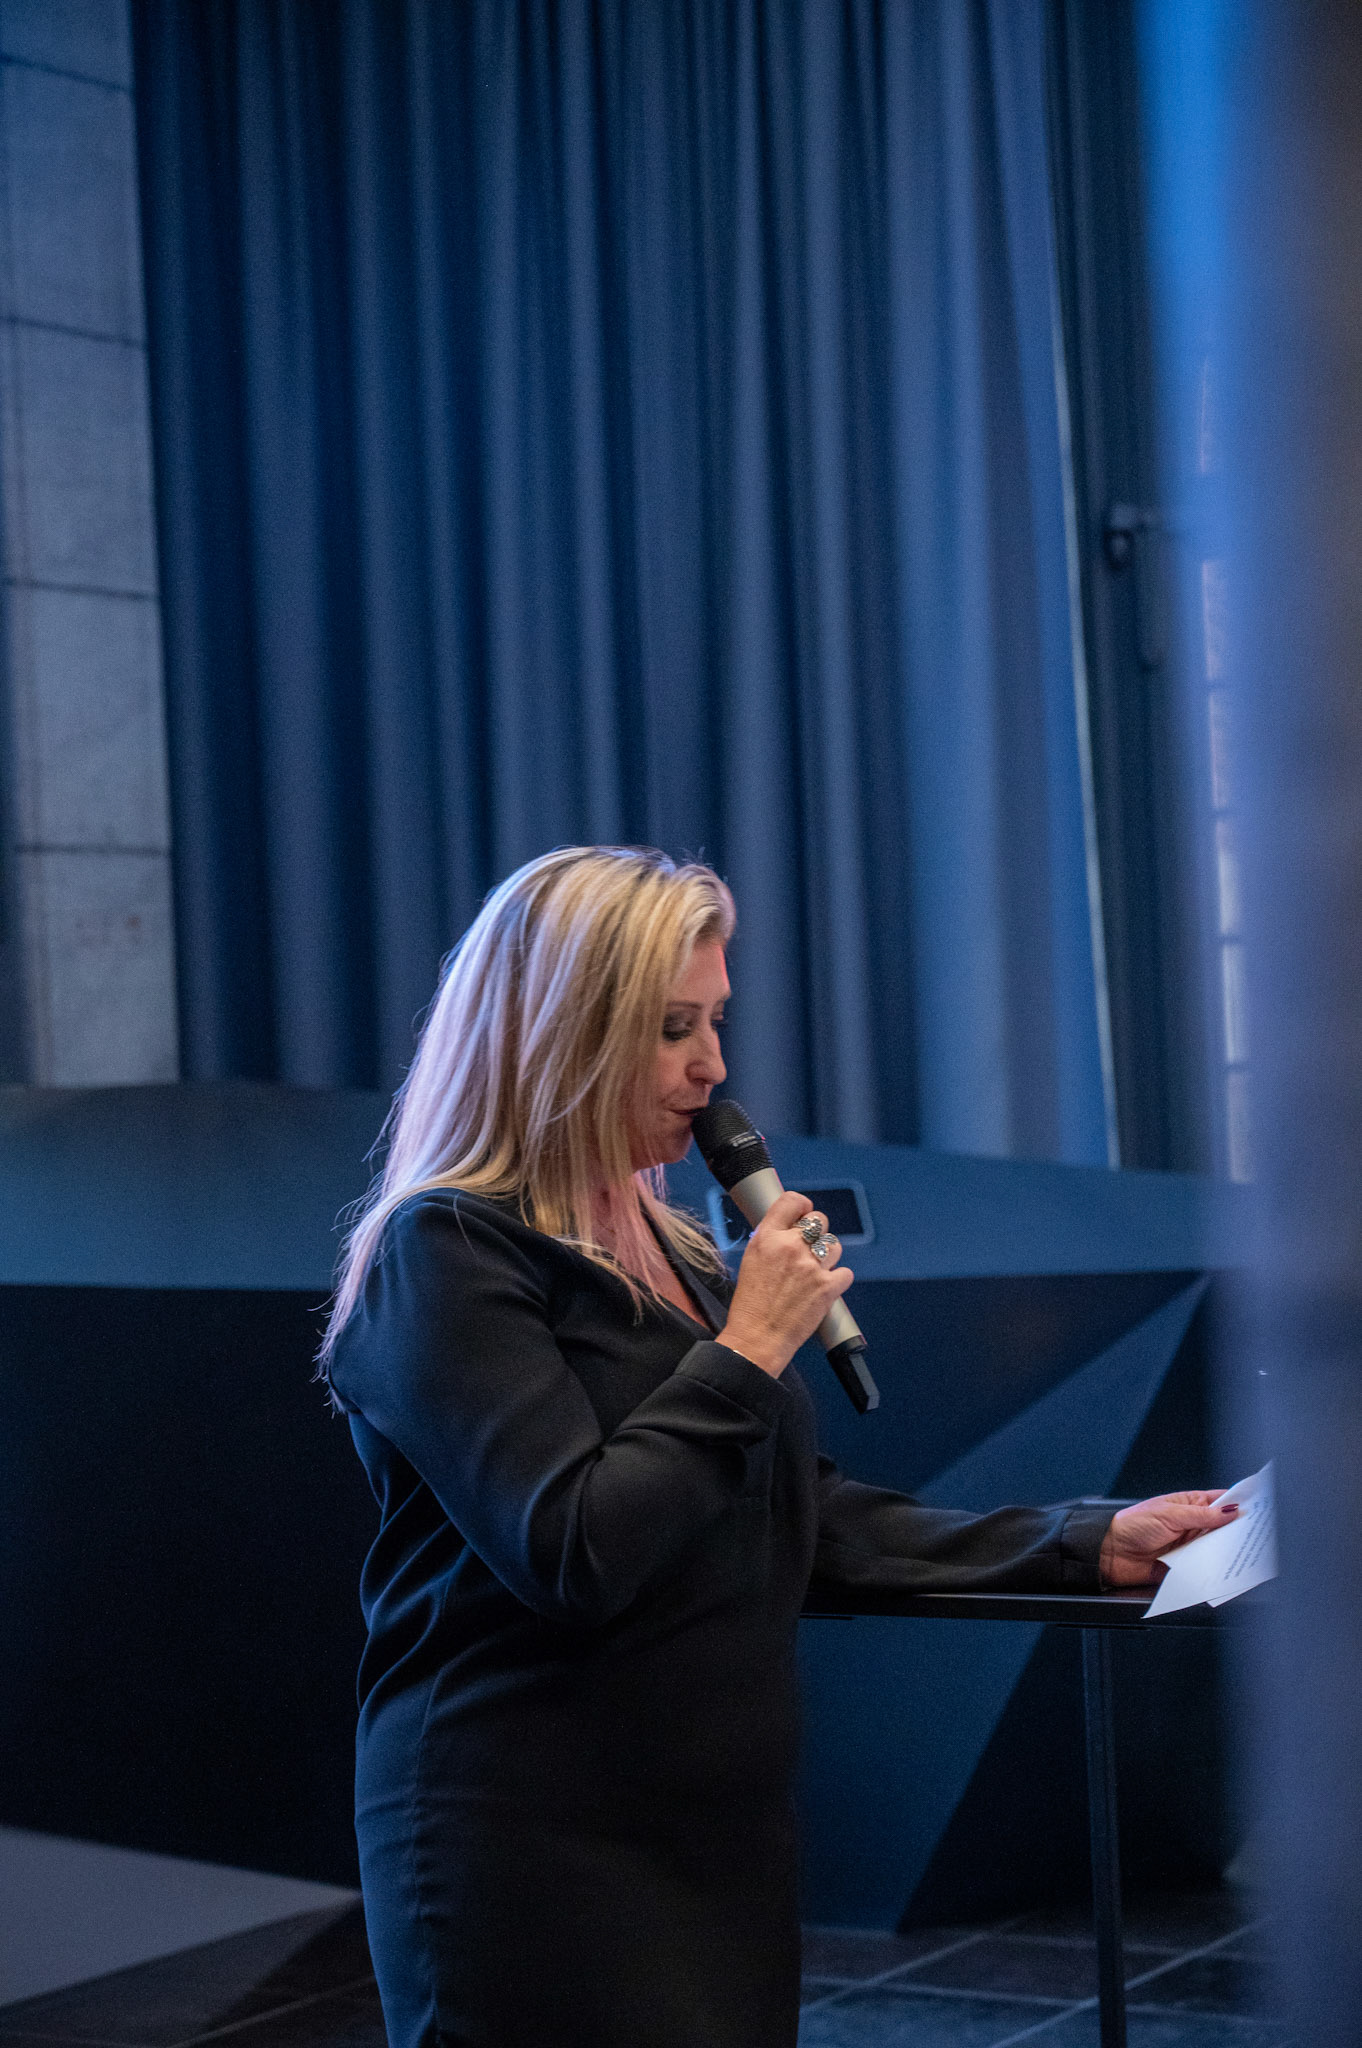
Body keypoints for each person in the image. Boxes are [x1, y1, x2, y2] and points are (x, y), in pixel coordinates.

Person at [319, 845, 1233, 2048]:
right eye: (671, 1027)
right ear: (558, 1033)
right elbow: (576, 1546)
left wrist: (1081, 1540)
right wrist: (749, 1345)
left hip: (712, 1830)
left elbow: (795, 1515)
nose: (712, 1065)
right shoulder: (444, 1252)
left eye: (715, 1021)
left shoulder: (677, 1253)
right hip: (526, 1833)